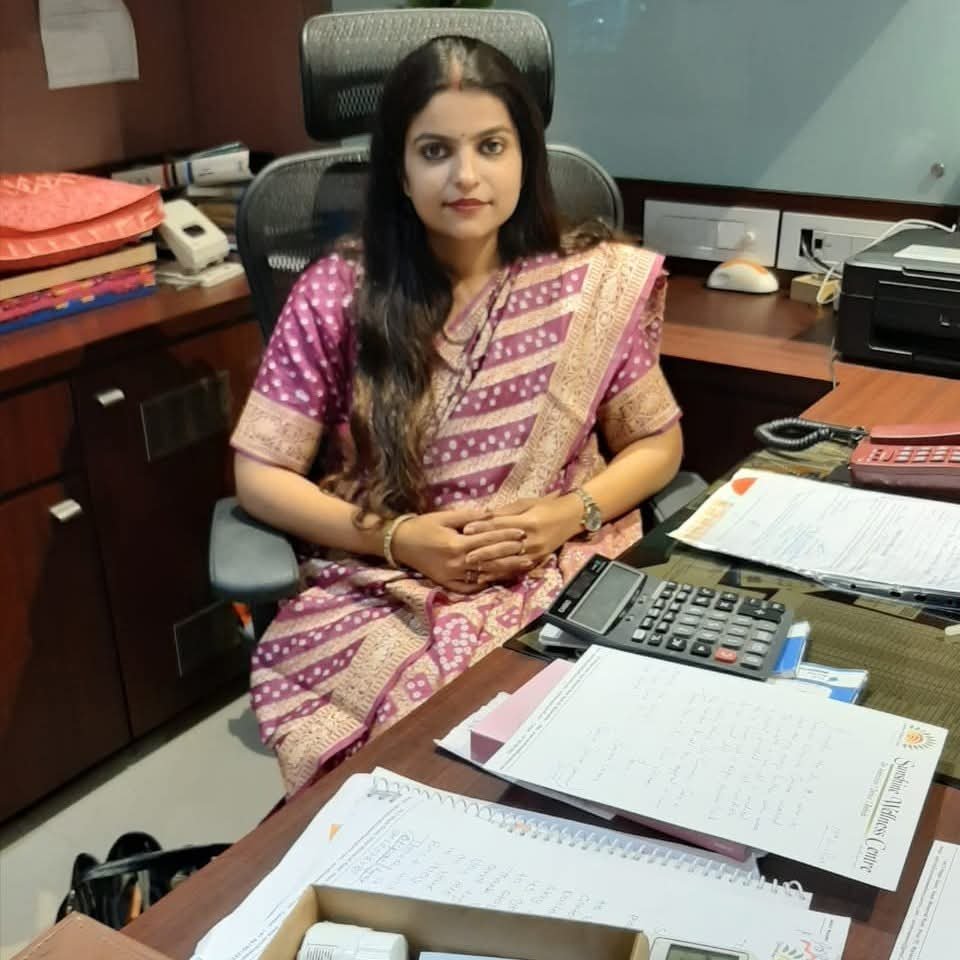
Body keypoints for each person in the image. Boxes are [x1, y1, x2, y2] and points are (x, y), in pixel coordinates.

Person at [230, 35, 683, 795]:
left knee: (618, 761)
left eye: (491, 146)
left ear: (526, 159)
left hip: (562, 565)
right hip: (383, 584)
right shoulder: (337, 294)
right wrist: (400, 539)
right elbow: (261, 475)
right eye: (435, 150)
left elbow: (657, 445)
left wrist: (567, 515)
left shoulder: (591, 282)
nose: (466, 176)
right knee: (415, 781)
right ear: (400, 171)